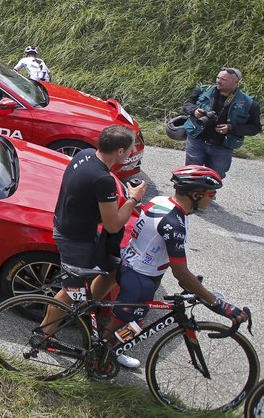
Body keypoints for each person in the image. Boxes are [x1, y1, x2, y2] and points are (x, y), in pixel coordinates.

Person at [104, 165, 248, 368]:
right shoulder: (174, 223)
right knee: (124, 323)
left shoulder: (160, 201)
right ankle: (100, 357)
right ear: (196, 194)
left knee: (134, 322)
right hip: (140, 278)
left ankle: (110, 349)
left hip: (135, 267)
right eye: (212, 194)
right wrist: (217, 304)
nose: (213, 199)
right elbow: (180, 272)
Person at [42, 125, 146, 358]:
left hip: (70, 225)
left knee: (112, 270)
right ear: (119, 151)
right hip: (75, 238)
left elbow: (85, 195)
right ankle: (44, 336)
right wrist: (133, 199)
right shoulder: (102, 179)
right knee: (71, 290)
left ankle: (85, 309)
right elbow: (113, 225)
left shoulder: (85, 155)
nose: (131, 154)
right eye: (130, 150)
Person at [181, 67, 260, 179]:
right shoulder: (203, 90)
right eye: (218, 77)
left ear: (235, 83)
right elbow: (187, 104)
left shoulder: (249, 103)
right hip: (197, 141)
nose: (218, 81)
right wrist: (194, 111)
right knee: (191, 174)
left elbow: (255, 128)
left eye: (224, 79)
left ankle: (208, 196)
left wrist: (231, 128)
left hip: (222, 147)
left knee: (214, 178)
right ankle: (189, 195)